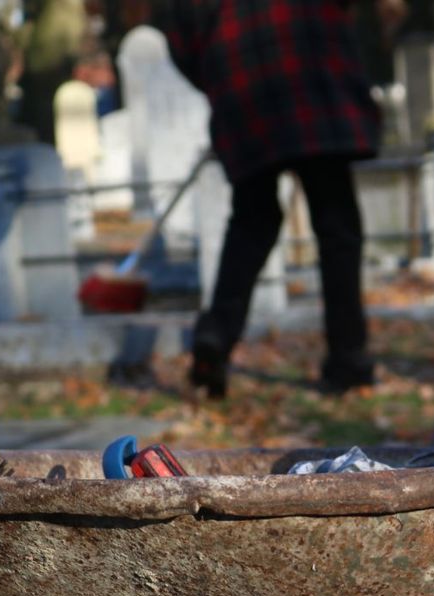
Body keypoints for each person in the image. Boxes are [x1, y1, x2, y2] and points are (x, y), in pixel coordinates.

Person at [154, 0, 386, 398]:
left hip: (240, 69)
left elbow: (176, 31)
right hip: (312, 57)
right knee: (337, 225)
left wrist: (217, 73)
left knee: (252, 219)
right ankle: (347, 360)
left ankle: (217, 333)